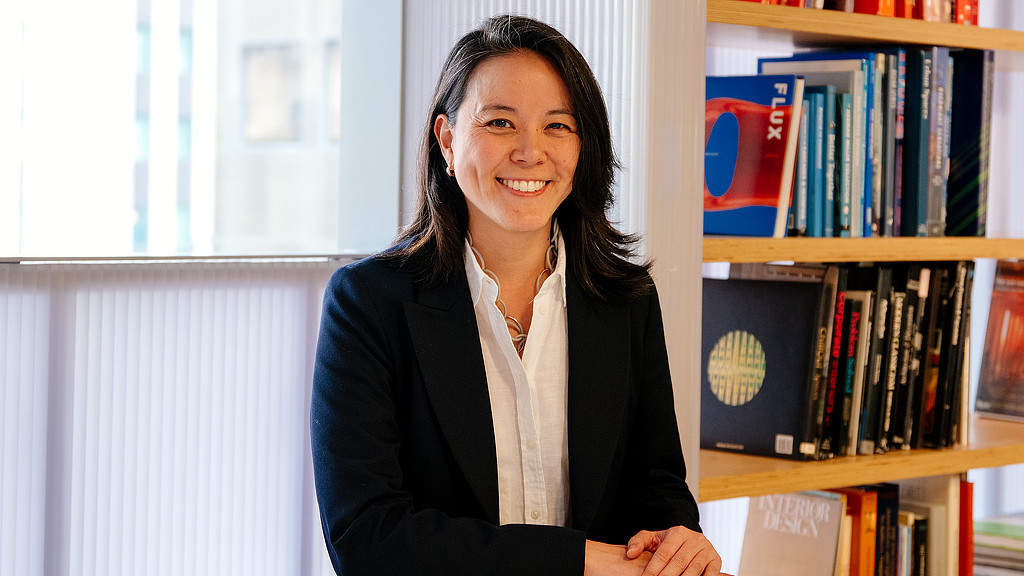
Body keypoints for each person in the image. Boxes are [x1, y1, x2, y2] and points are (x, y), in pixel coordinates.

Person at [310, 14, 723, 576]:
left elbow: (657, 492)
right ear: (448, 142)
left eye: (558, 126)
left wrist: (681, 542)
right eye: (501, 122)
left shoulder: (625, 300)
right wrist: (577, 559)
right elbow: (369, 540)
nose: (531, 152)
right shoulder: (367, 305)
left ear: (583, 147)